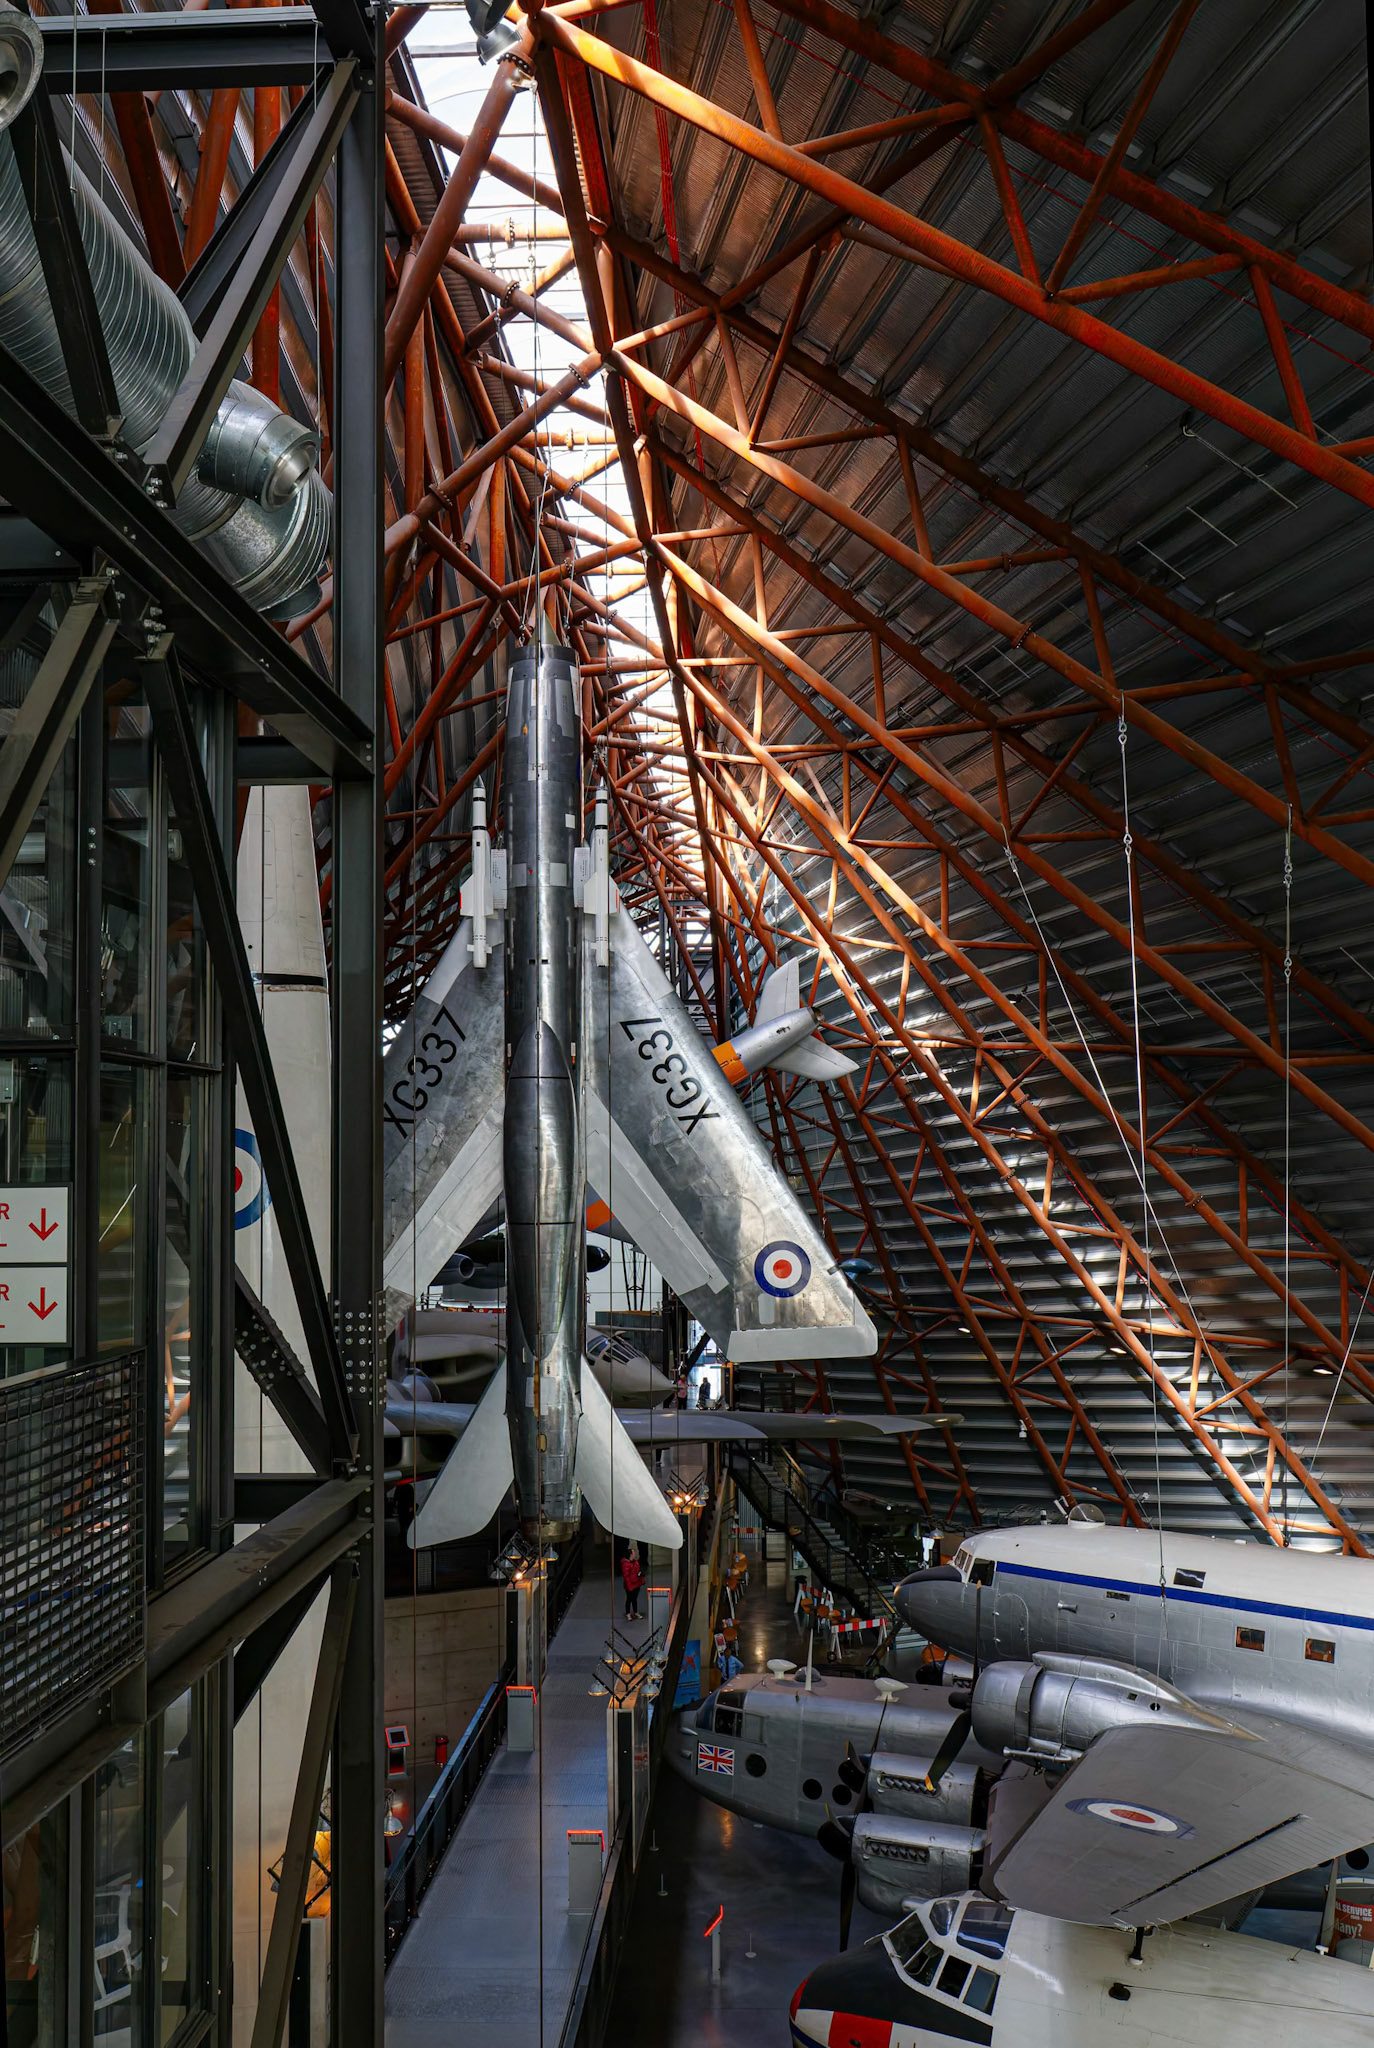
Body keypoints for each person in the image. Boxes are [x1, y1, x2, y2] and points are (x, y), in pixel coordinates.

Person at [620, 1546, 644, 1620]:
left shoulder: (636, 1562)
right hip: (630, 1585)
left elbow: (638, 1571)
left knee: (634, 1599)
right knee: (629, 1599)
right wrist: (629, 1587)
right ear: (630, 1555)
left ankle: (635, 1612)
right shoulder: (626, 1564)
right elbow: (626, 1577)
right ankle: (628, 1613)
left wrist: (640, 1575)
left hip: (636, 1584)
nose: (635, 1554)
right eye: (633, 1553)